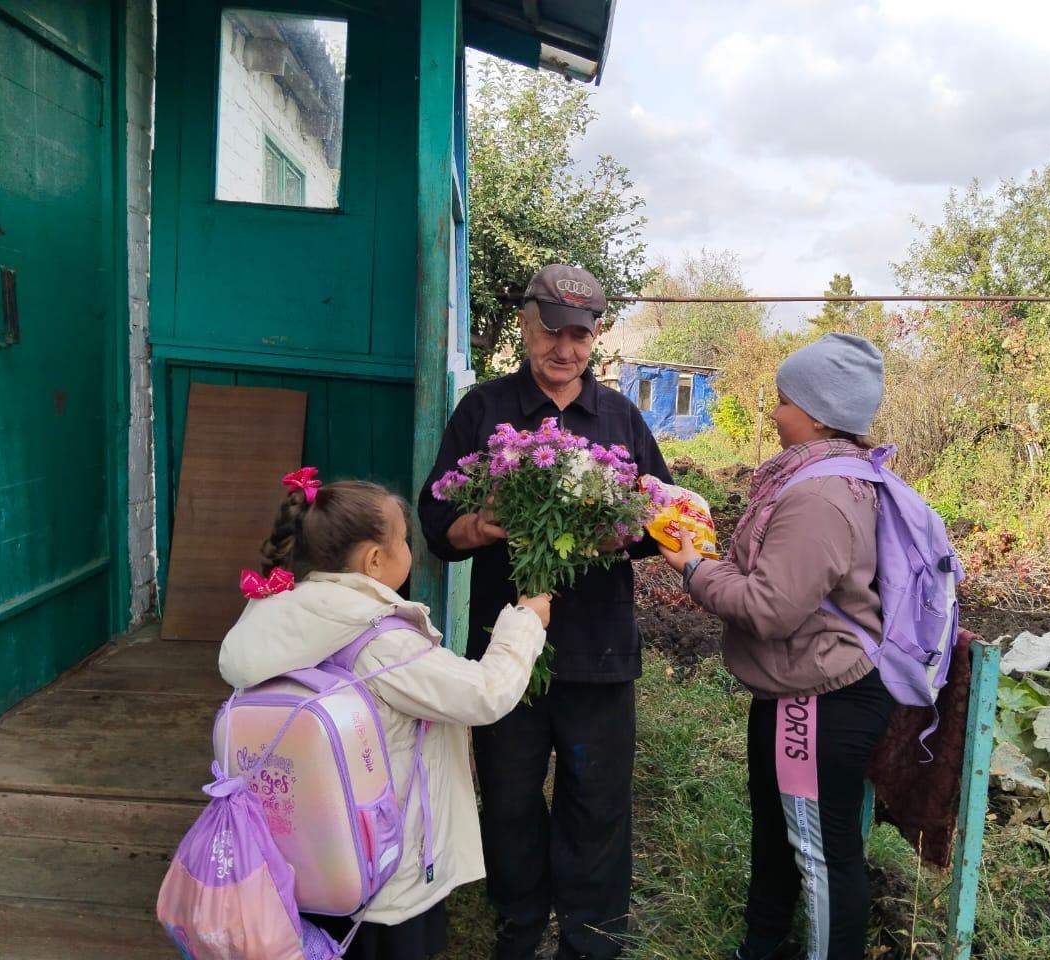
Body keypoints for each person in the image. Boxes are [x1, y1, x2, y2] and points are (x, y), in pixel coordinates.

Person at [418, 265, 672, 960]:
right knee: (507, 794)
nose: (565, 349)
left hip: (596, 647)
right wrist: (487, 522)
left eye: (580, 336)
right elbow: (437, 521)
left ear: (595, 338)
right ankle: (520, 921)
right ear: (526, 324)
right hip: (507, 652)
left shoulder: (620, 417)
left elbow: (664, 515)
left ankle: (590, 938)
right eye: (551, 332)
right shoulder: (484, 409)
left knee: (596, 798)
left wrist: (622, 529)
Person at [218, 474, 551, 960]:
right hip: (384, 873)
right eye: (404, 541)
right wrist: (524, 622)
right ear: (375, 559)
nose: (408, 551)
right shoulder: (382, 644)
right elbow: (484, 693)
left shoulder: (275, 616)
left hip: (305, 853)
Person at [659, 333, 895, 960]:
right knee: (780, 830)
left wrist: (691, 569)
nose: (773, 411)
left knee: (820, 851)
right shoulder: (825, 476)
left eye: (784, 400)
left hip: (819, 697)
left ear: (817, 414)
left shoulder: (817, 496)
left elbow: (769, 609)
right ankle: (761, 945)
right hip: (797, 686)